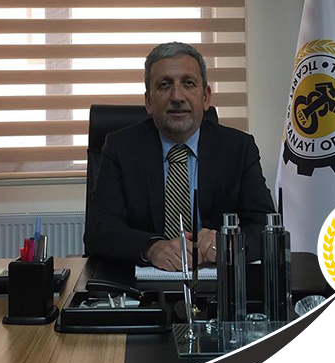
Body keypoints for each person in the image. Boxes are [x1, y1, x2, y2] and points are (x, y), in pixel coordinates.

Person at [84, 42, 275, 270]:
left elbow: (265, 227)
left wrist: (227, 243)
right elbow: (99, 230)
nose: (177, 96)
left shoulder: (238, 148)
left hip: (216, 281)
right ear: (149, 102)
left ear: (205, 97)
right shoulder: (120, 148)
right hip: (144, 283)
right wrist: (151, 247)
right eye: (164, 85)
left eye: (188, 83)